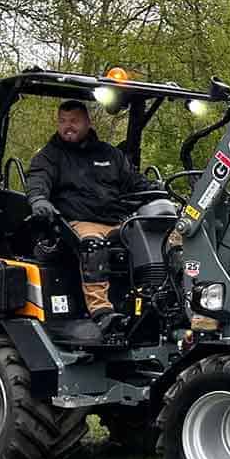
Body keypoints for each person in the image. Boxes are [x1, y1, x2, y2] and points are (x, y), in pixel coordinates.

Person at [25, 100, 150, 323]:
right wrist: (38, 199)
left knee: (165, 238)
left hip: (117, 221)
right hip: (78, 222)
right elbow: (38, 178)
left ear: (87, 122)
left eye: (73, 121)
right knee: (93, 244)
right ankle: (101, 311)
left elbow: (135, 182)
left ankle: (166, 302)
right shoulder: (50, 155)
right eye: (62, 121)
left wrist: (157, 193)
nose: (67, 126)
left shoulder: (110, 155)